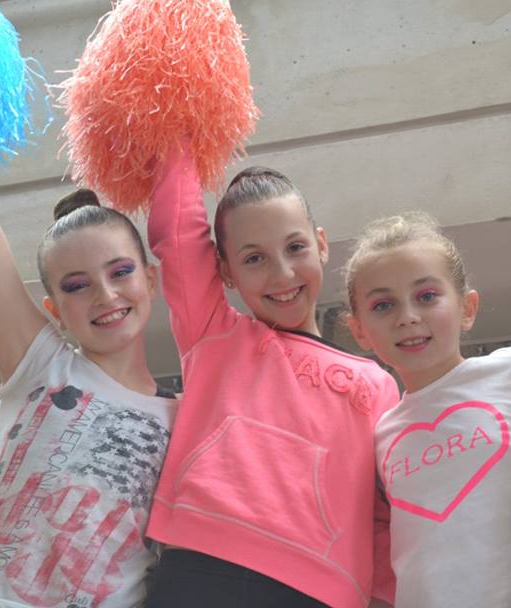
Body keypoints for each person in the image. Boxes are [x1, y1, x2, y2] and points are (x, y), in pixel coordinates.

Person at [142, 144, 399, 608]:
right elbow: (177, 236)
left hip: (322, 589)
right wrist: (178, 136)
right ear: (225, 271)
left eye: (295, 247)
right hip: (200, 568)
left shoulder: (376, 382)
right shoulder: (214, 335)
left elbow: (386, 517)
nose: (282, 274)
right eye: (254, 258)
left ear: (322, 244)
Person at [0, 152, 178, 608]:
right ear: (54, 310)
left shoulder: (186, 418)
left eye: (120, 272)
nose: (105, 294)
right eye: (76, 286)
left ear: (150, 279)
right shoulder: (39, 366)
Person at [343, 212, 511, 608]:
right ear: (359, 330)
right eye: (383, 305)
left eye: (426, 296)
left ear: (467, 307)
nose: (407, 317)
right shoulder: (381, 434)